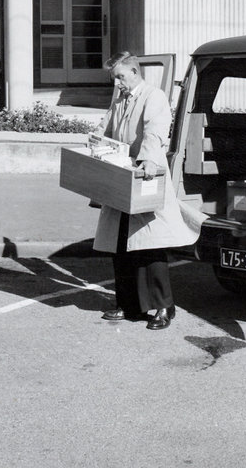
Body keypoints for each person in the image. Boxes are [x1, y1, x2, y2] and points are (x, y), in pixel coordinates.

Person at [92, 51, 199, 330]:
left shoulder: (154, 96)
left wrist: (149, 160)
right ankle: (128, 305)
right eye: (114, 78)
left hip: (146, 175)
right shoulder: (120, 99)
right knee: (121, 246)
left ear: (135, 72)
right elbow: (105, 128)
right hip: (121, 178)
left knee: (150, 247)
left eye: (120, 77)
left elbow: (155, 132)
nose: (117, 83)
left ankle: (164, 307)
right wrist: (94, 141)